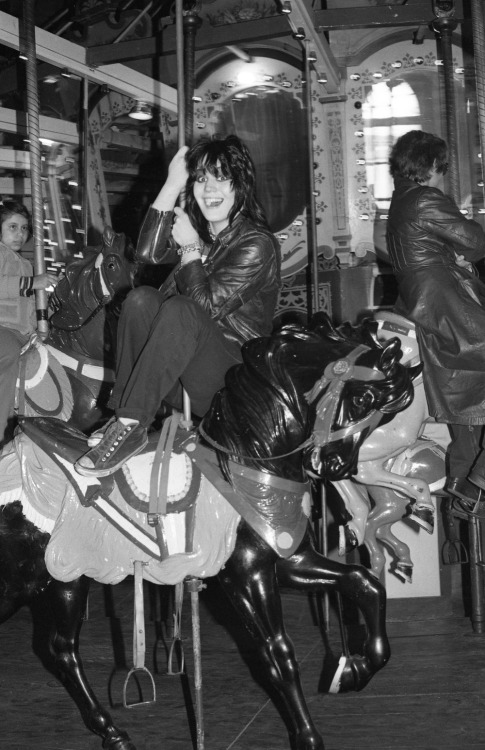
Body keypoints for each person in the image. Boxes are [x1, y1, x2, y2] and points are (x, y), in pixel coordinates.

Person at [75, 134, 281, 477]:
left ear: (240, 185)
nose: (209, 187)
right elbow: (146, 253)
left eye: (221, 177)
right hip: (179, 372)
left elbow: (204, 308)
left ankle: (127, 425)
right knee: (141, 299)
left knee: (180, 309)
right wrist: (172, 184)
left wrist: (190, 252)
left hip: (230, 380)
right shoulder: (203, 240)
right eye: (201, 178)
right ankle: (128, 418)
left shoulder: (257, 244)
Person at [386, 129, 485, 506]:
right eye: (441, 169)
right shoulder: (425, 199)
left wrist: (453, 254)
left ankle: (463, 482)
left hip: (421, 301)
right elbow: (474, 239)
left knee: (466, 392)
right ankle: (477, 480)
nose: (442, 176)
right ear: (430, 166)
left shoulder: (401, 200)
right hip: (442, 302)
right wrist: (465, 251)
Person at [0, 200, 59, 445]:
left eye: (24, 228)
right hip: (3, 329)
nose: (20, 233)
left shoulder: (26, 264)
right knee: (7, 354)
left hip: (24, 333)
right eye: (12, 227)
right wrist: (32, 283)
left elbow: (30, 308)